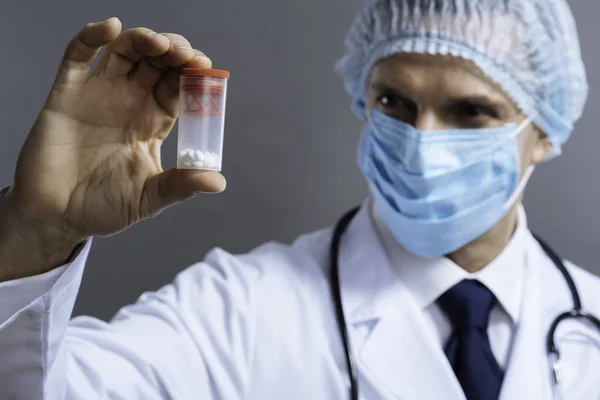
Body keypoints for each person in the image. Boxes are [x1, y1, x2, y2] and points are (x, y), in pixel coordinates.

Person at [1, 0, 599, 399]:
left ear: (545, 129)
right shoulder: (239, 310)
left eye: (471, 111)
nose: (422, 142)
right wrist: (35, 235)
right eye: (394, 104)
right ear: (364, 100)